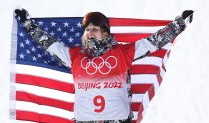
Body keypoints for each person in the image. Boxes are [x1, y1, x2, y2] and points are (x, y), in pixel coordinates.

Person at [15, 9, 194, 123]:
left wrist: (179, 24)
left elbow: (153, 42)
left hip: (117, 120)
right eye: (87, 30)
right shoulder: (74, 56)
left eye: (95, 29)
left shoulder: (122, 53)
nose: (90, 33)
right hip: (85, 120)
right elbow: (49, 44)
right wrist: (27, 24)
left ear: (105, 33)